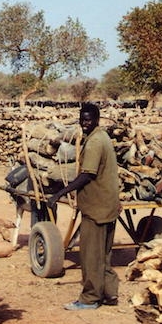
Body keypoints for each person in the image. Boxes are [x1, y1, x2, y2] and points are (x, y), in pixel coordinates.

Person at [48, 103, 120, 310]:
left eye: (88, 120)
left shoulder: (96, 142)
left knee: (90, 255)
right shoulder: (102, 137)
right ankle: (109, 293)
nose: (84, 123)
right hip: (107, 205)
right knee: (103, 255)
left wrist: (60, 193)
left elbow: (87, 175)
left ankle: (90, 298)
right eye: (82, 119)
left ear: (97, 119)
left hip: (96, 208)